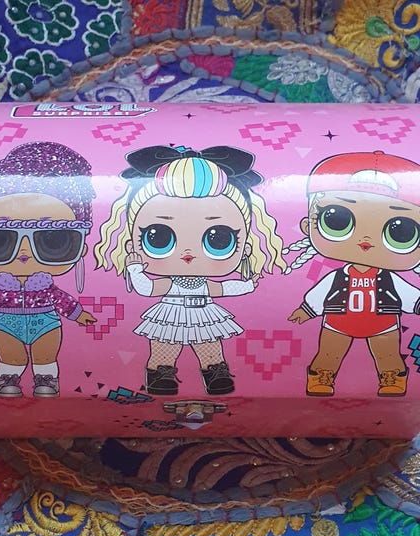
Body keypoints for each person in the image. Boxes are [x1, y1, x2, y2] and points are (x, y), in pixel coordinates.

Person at [94, 145, 286, 395]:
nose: (187, 253)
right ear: (131, 244)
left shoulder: (204, 284)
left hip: (203, 313)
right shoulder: (170, 283)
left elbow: (224, 288)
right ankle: (160, 374)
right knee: (165, 345)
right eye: (158, 237)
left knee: (209, 345)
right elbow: (148, 289)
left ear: (245, 247)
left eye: (219, 239)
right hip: (170, 313)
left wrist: (248, 284)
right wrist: (135, 270)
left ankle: (214, 372)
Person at [0, 141, 97, 398]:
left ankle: (46, 380)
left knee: (46, 355)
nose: (24, 253)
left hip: (45, 320)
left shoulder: (45, 285)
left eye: (52, 241)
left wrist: (78, 314)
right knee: (10, 356)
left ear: (81, 249)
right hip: (4, 321)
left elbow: (62, 299)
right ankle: (7, 379)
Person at [286, 151, 420, 397]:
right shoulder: (337, 277)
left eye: (401, 232)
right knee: (329, 353)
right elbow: (320, 294)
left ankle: (391, 378)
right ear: (308, 225)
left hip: (383, 324)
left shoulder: (389, 278)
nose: (366, 240)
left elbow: (408, 294)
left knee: (388, 355)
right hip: (338, 322)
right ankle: (321, 377)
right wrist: (306, 311)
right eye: (337, 221)